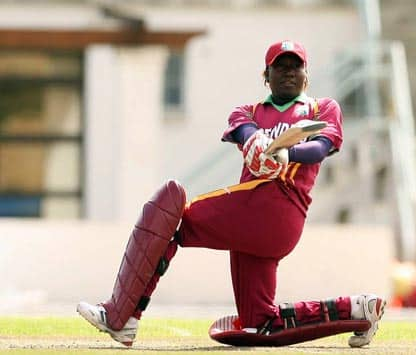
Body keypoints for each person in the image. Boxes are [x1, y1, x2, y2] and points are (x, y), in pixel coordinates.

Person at [77, 40, 386, 348]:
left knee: (167, 215)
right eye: (281, 66)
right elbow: (242, 130)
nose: (289, 72)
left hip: (277, 208)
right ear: (266, 74)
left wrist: (286, 154)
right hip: (253, 221)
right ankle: (359, 309)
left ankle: (121, 316)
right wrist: (256, 143)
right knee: (259, 322)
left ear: (307, 75)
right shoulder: (248, 112)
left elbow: (320, 147)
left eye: (296, 66)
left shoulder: (323, 108)